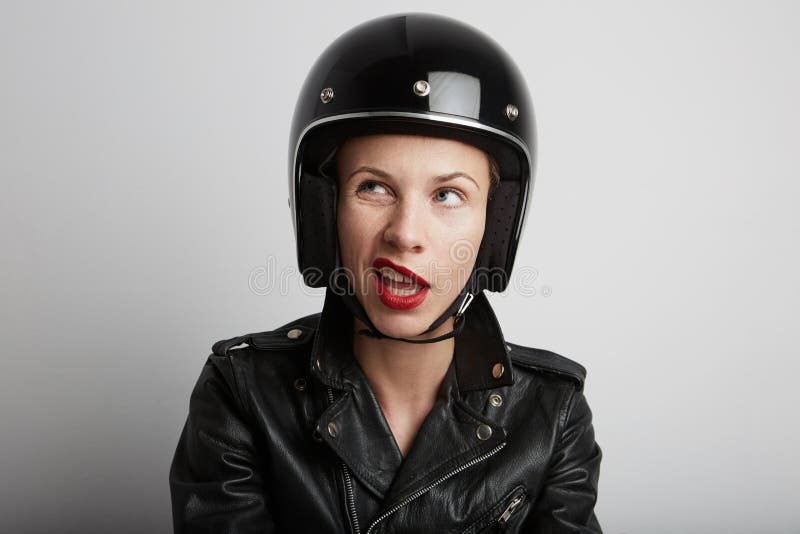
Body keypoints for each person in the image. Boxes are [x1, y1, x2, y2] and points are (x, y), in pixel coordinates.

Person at [169, 13, 602, 533]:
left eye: (448, 195)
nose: (405, 233)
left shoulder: (553, 415)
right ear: (322, 210)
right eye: (373, 187)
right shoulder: (240, 393)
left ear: (496, 224)